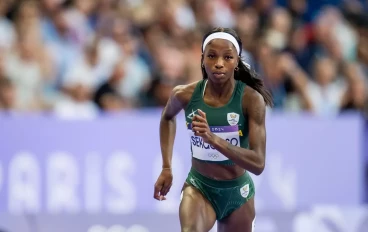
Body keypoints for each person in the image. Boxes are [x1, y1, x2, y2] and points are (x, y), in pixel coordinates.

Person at [153, 27, 273, 232]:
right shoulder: (184, 94)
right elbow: (167, 118)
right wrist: (166, 167)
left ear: (236, 62)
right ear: (202, 59)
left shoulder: (251, 100)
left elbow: (258, 164)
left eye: (227, 57)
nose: (219, 63)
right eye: (211, 56)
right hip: (200, 187)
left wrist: (213, 138)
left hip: (237, 192)